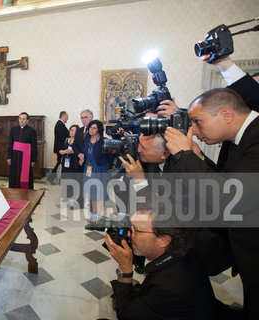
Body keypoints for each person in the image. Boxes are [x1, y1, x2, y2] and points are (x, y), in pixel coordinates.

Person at [164, 88, 259, 319]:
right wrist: (197, 157)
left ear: (226, 115)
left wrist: (185, 156)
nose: (194, 131)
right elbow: (229, 181)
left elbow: (229, 198)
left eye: (197, 122)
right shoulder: (244, 139)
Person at [105, 202, 215, 320]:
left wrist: (125, 271)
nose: (129, 233)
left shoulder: (167, 289)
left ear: (163, 240)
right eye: (131, 226)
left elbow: (126, 315)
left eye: (137, 230)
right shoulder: (183, 251)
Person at [81, 120, 112, 230]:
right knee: (92, 193)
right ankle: (94, 218)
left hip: (99, 169)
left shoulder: (104, 141)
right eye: (90, 127)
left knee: (99, 193)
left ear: (99, 129)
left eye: (94, 128)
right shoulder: (87, 140)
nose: (91, 129)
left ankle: (99, 220)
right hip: (88, 169)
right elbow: (84, 152)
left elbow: (109, 157)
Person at [7, 112, 37, 189]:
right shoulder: (13, 130)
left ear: (27, 121)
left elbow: (34, 146)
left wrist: (33, 160)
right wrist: (9, 157)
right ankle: (13, 191)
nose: (21, 120)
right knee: (14, 174)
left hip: (26, 158)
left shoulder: (31, 131)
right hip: (15, 156)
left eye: (24, 119)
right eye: (20, 118)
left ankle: (25, 192)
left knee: (25, 176)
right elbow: (10, 144)